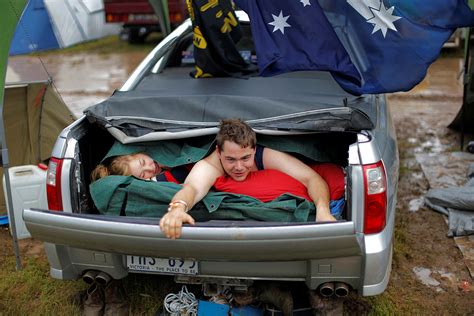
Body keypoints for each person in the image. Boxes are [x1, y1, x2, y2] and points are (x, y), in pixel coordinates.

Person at [160, 118, 336, 239]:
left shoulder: (266, 155)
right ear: (218, 152)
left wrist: (323, 210)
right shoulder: (209, 166)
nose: (238, 167)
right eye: (230, 159)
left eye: (245, 158)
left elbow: (312, 178)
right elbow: (192, 188)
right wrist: (177, 209)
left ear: (253, 150)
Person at [91, 153, 189, 184]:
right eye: (143, 175)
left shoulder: (164, 152)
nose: (150, 169)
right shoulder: (158, 180)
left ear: (139, 153)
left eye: (143, 162)